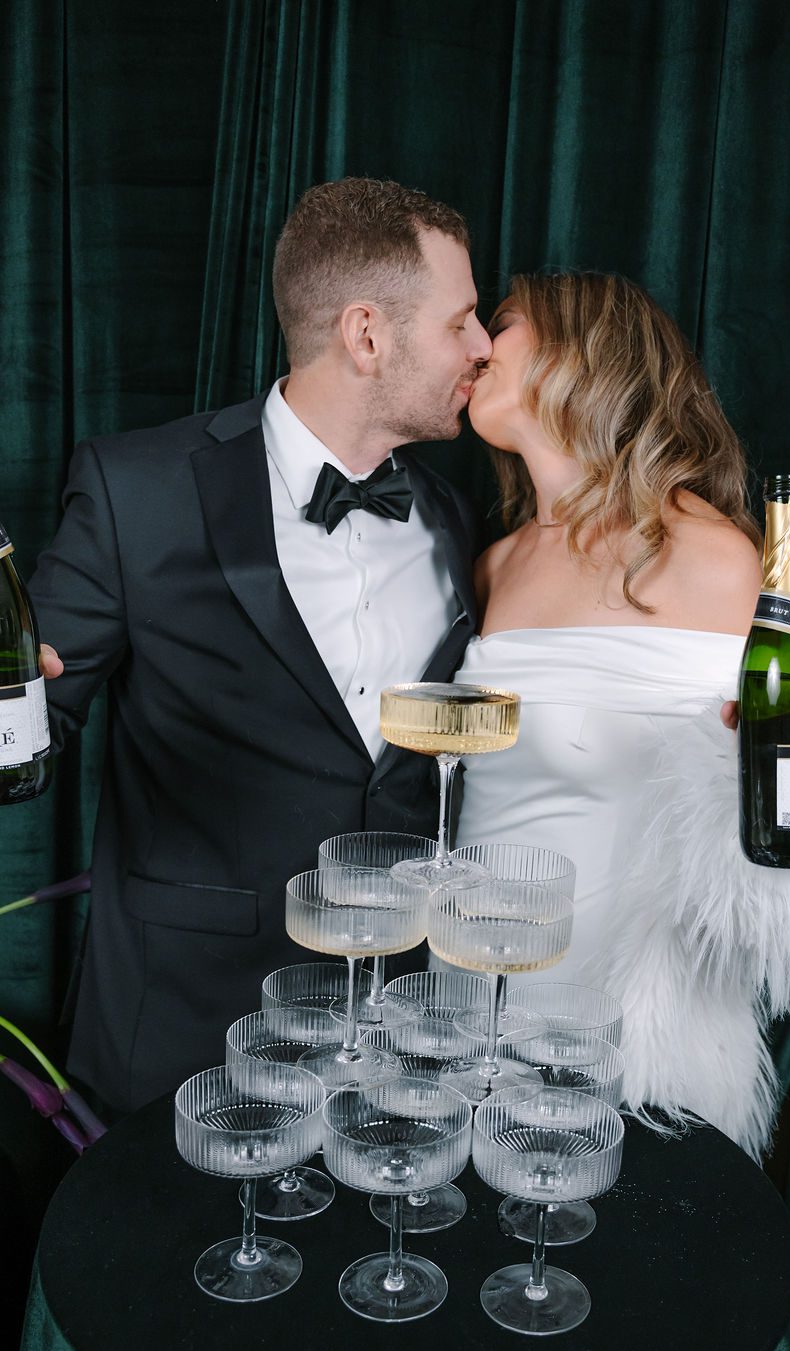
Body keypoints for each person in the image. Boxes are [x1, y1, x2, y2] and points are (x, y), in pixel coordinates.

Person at [29, 177, 492, 1114]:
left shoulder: (457, 518)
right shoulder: (137, 491)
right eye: (461, 322)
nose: (484, 346)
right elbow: (26, 731)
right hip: (184, 1037)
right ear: (366, 335)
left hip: (392, 1054)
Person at [452, 271, 790, 1160]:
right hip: (472, 1024)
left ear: (585, 353)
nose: (478, 344)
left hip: (632, 1057)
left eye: (502, 323)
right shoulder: (494, 564)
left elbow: (770, 809)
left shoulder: (712, 558)